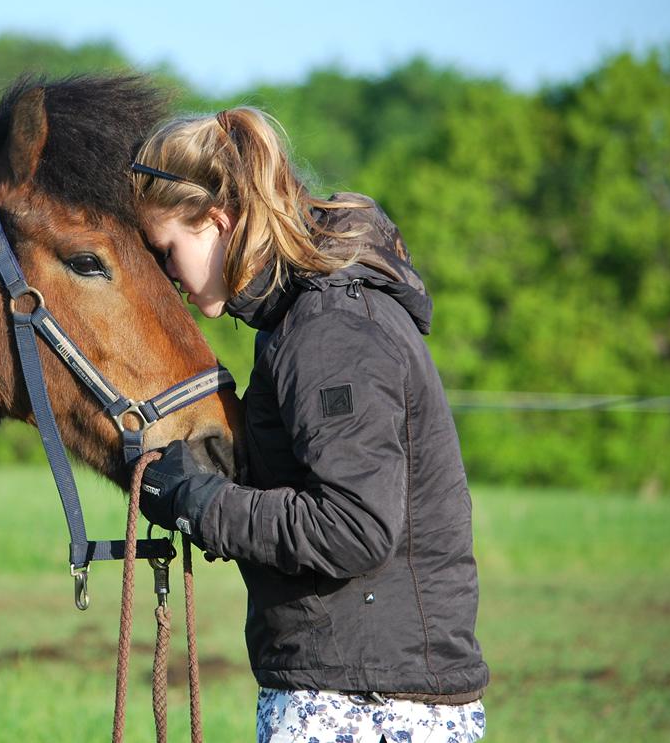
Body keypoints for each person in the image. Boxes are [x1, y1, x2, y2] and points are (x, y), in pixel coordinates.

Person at [130, 108, 489, 743]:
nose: (169, 281)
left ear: (218, 221)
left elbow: (354, 527)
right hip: (363, 685)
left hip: (364, 704)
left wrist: (197, 502)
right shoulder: (306, 320)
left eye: (167, 252)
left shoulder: (329, 330)